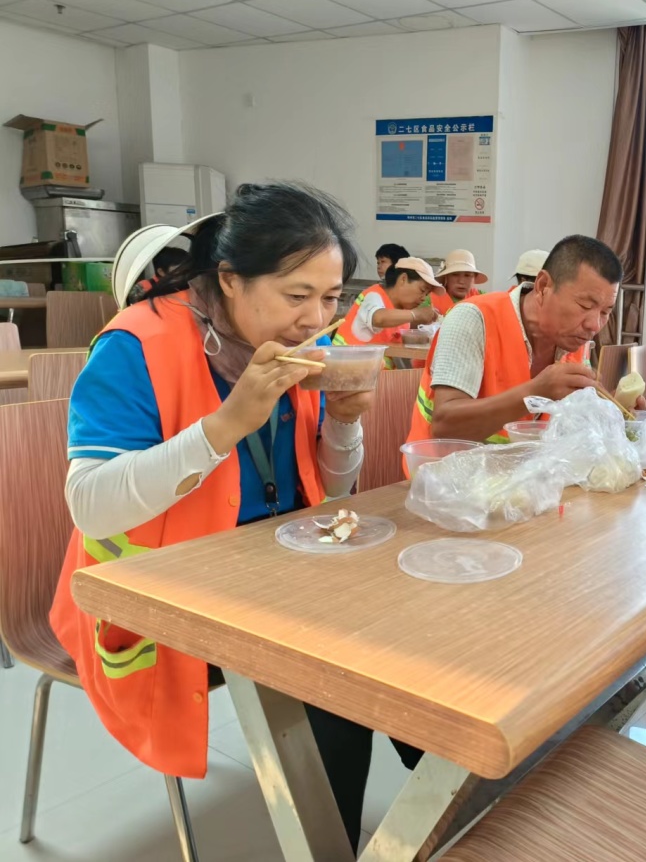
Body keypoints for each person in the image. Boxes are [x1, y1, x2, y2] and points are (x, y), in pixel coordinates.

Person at [48, 182, 418, 857]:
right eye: (296, 295)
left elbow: (329, 492)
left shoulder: (294, 351)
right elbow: (90, 503)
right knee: (338, 681)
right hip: (161, 589)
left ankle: (455, 808)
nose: (316, 318)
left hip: (277, 569)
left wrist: (343, 424)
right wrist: (223, 427)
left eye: (331, 297)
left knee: (416, 643)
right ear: (230, 279)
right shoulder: (137, 346)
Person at [406, 235, 621, 446]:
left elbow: (568, 418)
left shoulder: (574, 336)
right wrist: (535, 392)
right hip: (445, 476)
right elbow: (446, 427)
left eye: (605, 312)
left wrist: (610, 407)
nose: (594, 325)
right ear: (543, 285)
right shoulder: (473, 318)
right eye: (584, 305)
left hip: (523, 475)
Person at [333, 256, 441, 365]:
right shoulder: (374, 295)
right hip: (343, 366)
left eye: (426, 294)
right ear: (403, 279)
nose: (423, 298)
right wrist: (415, 315)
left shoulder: (403, 315)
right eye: (422, 290)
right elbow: (378, 318)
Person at [427, 248, 486, 315]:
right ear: (446, 277)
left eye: (467, 275)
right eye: (455, 275)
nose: (461, 281)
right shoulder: (429, 298)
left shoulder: (483, 298)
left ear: (474, 278)